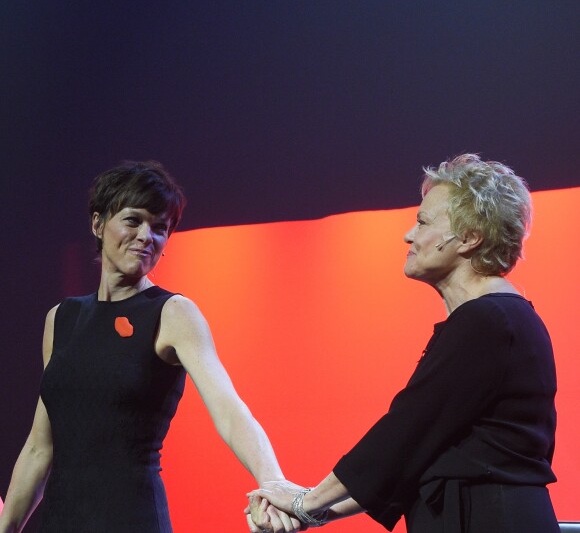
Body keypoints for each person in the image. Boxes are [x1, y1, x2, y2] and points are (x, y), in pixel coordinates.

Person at [249, 154, 559, 532]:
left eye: (422, 221)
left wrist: (305, 502)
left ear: (469, 237)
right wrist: (315, 512)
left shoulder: (489, 321)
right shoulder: (491, 320)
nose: (408, 235)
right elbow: (417, 452)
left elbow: (403, 432)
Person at [0, 161, 300, 533]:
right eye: (133, 220)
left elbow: (229, 410)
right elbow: (39, 447)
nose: (147, 236)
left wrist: (273, 482)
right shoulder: (61, 318)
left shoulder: (173, 313)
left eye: (160, 228)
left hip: (131, 519)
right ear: (97, 224)